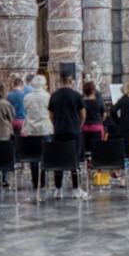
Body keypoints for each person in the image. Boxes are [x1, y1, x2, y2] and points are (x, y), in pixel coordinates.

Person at [48, 71, 87, 199]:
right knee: (74, 160)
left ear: (60, 81)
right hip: (74, 132)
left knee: (58, 160)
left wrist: (57, 125)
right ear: (71, 81)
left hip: (59, 132)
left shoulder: (54, 96)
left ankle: (58, 189)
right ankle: (76, 188)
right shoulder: (76, 95)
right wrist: (78, 127)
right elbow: (83, 115)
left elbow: (51, 116)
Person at [22, 74, 53, 189]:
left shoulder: (27, 97)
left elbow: (25, 109)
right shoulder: (48, 96)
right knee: (45, 156)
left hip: (32, 129)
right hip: (45, 128)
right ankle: (44, 180)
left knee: (34, 157)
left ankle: (35, 181)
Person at [82, 80, 106, 145]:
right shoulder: (99, 101)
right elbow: (104, 114)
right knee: (98, 147)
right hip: (97, 127)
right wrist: (100, 121)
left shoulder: (81, 102)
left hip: (84, 128)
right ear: (93, 90)